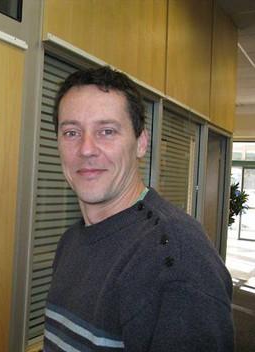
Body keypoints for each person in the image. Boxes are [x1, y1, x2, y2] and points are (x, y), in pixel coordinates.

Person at [44, 66, 234, 351]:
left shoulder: (176, 258)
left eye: (106, 131)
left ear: (141, 143)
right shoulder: (71, 241)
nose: (86, 149)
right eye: (71, 132)